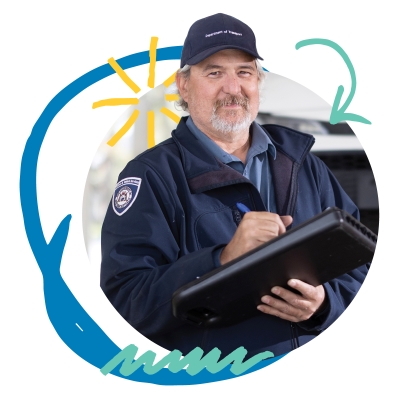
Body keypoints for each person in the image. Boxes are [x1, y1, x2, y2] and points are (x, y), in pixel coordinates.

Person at [100, 13, 368, 359]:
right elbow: (126, 301)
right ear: (183, 85)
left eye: (244, 72)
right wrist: (221, 259)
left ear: (258, 81)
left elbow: (362, 265)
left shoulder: (306, 165)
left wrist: (324, 305)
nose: (233, 88)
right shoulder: (151, 176)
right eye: (214, 72)